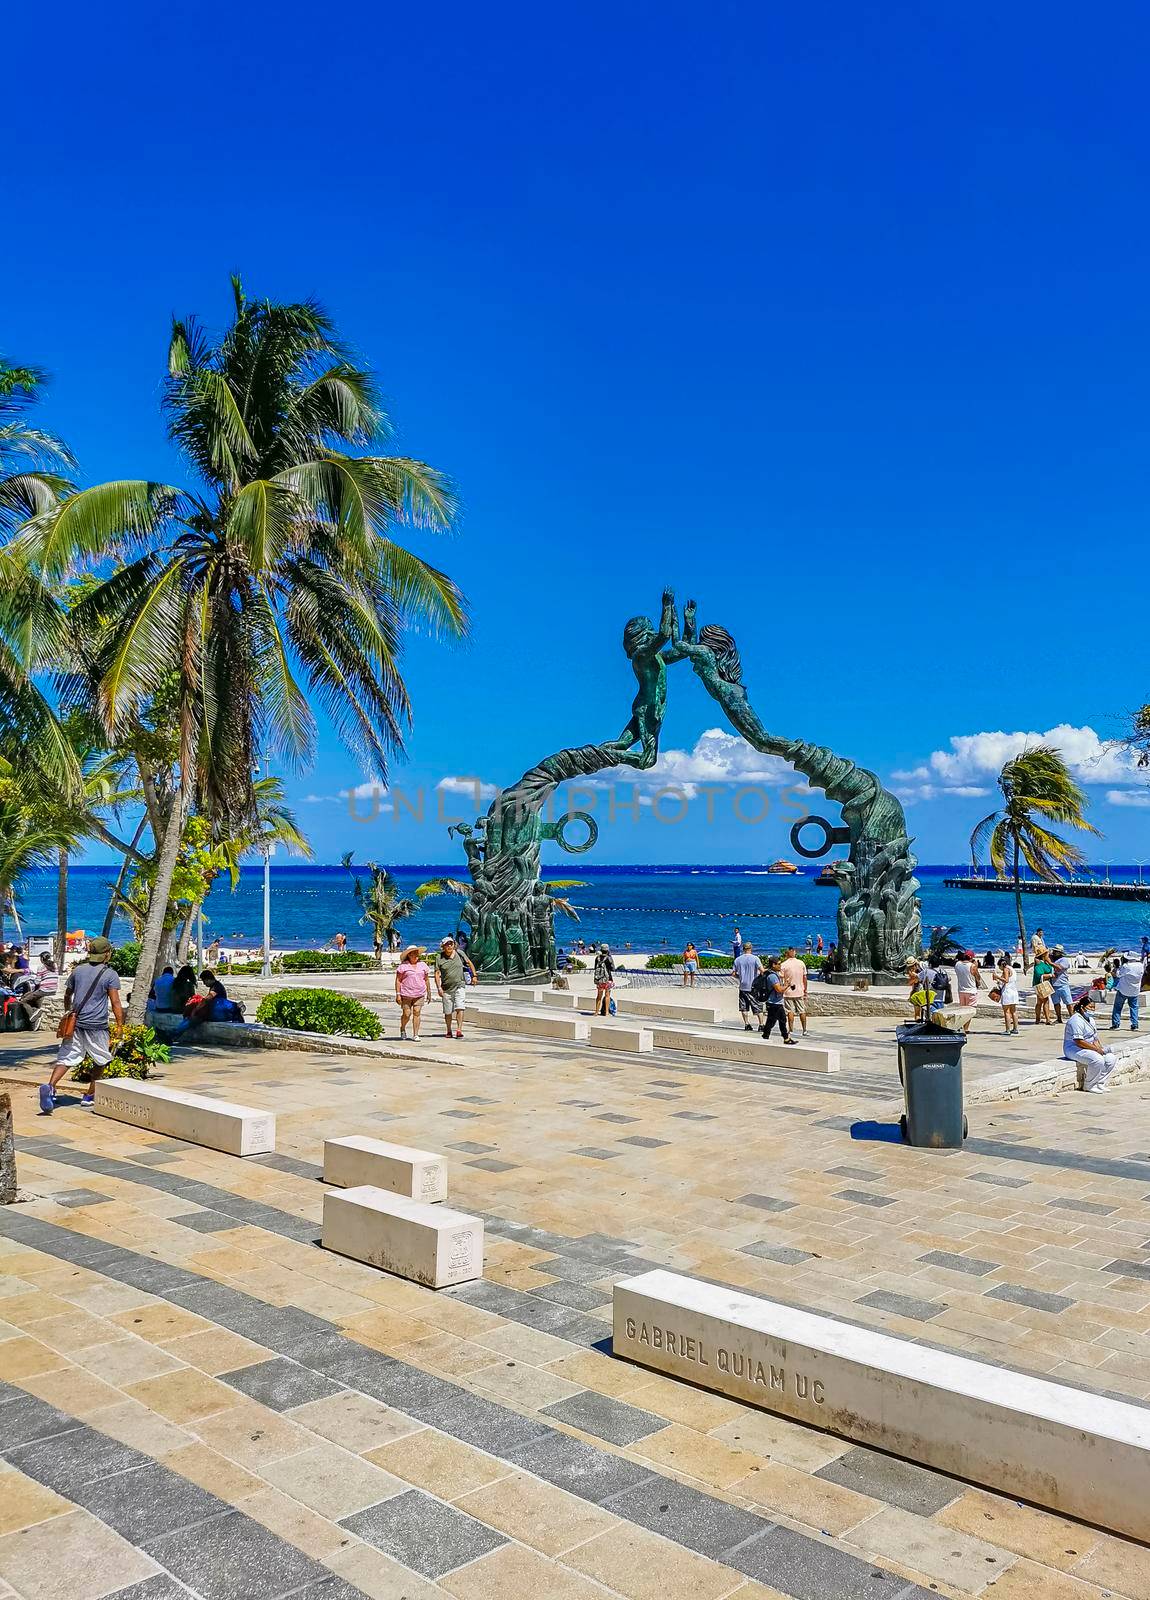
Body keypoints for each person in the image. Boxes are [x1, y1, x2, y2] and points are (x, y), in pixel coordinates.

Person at [39, 935, 123, 1114]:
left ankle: (51, 1086)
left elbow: (67, 995)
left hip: (76, 1023)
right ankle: (89, 1096)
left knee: (67, 1057)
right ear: (107, 954)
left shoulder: (78, 971)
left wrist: (69, 1012)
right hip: (97, 1025)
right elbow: (116, 1003)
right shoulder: (110, 974)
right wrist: (120, 1026)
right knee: (101, 1059)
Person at [1064, 993, 1117, 1092]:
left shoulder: (1091, 1020)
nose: (1092, 1009)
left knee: (1110, 1058)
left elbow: (1095, 1038)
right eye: (1090, 1007)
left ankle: (1100, 1082)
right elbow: (1079, 1041)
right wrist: (1096, 1050)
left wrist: (1100, 1049)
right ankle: (1089, 1085)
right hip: (1074, 1048)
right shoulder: (1076, 1020)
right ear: (1082, 1008)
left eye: (1093, 1007)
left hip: (1089, 1047)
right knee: (1097, 1059)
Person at [436, 934, 476, 1039]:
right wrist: (439, 988)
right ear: (443, 946)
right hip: (446, 988)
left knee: (460, 1007)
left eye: (451, 944)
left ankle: (459, 1030)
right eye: (447, 945)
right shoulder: (439, 957)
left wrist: (474, 976)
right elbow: (437, 973)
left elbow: (469, 963)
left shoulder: (460, 953)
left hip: (460, 985)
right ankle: (449, 1030)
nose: (449, 946)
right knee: (448, 1011)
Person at [395, 945, 432, 1039]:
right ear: (409, 955)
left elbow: (426, 979)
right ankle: (402, 1028)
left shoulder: (423, 965)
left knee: (417, 1012)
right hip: (406, 994)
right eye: (413, 953)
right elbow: (398, 980)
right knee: (407, 1014)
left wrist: (429, 992)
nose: (416, 955)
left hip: (419, 993)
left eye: (417, 953)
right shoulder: (403, 966)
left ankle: (416, 1034)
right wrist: (398, 994)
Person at [16, 951, 59, 1029]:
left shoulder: (41, 967)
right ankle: (35, 1014)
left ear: (42, 958)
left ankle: (33, 1015)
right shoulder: (55, 965)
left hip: (44, 990)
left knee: (23, 1001)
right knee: (29, 994)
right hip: (53, 990)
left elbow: (37, 982)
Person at [755, 957, 792, 1043]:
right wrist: (787, 985)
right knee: (780, 1021)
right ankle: (785, 1038)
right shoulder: (772, 976)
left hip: (774, 1002)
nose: (780, 966)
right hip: (775, 1003)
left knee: (773, 1021)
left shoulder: (770, 973)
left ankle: (767, 1035)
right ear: (773, 965)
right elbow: (779, 989)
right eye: (778, 964)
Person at [732, 941, 763, 1030]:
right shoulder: (755, 959)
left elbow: (733, 974)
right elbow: (762, 970)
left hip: (742, 985)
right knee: (757, 1006)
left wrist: (740, 977)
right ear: (751, 948)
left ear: (743, 949)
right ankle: (761, 1024)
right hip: (753, 986)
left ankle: (747, 1024)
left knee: (744, 1007)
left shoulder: (738, 960)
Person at [780, 946, 809, 1037]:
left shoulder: (784, 965)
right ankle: (804, 1030)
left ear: (787, 954)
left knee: (790, 1011)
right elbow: (805, 978)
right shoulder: (801, 963)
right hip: (800, 990)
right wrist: (805, 989)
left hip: (788, 991)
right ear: (794, 953)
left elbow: (781, 979)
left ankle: (791, 1029)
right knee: (802, 1011)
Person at [1111, 952, 1143, 1032]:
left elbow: (1118, 975)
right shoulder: (1140, 965)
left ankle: (1116, 1024)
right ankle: (1134, 1025)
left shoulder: (1126, 966)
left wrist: (1118, 967)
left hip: (1123, 989)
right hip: (1135, 990)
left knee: (1117, 1007)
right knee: (1134, 1007)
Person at [996, 955, 1020, 1036]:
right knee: (1014, 1011)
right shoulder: (1012, 969)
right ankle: (1015, 1028)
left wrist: (997, 977)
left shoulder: (1006, 969)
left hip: (1007, 992)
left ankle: (1007, 1030)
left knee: (1007, 1012)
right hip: (1014, 991)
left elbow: (1006, 980)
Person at [1049, 946, 1074, 1021]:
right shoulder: (1053, 959)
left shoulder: (1064, 960)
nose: (1054, 952)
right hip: (1053, 984)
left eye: (1055, 951)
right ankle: (1059, 1018)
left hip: (1063, 984)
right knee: (1056, 1003)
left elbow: (1059, 967)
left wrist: (1050, 962)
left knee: (1068, 1003)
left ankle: (1072, 1018)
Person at [1032, 949, 1055, 1024]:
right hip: (1041, 984)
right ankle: (1047, 1019)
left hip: (1042, 984)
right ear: (1043, 955)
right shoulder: (1039, 964)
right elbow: (1039, 975)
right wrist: (1050, 975)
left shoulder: (1044, 963)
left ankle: (1037, 1019)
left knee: (1039, 1002)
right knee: (1045, 1001)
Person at [594, 943, 616, 1016]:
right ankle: (606, 1012)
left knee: (599, 996)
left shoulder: (597, 958)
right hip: (608, 979)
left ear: (601, 950)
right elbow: (613, 968)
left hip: (599, 980)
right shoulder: (608, 958)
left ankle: (596, 1012)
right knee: (607, 995)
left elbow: (595, 968)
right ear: (607, 950)